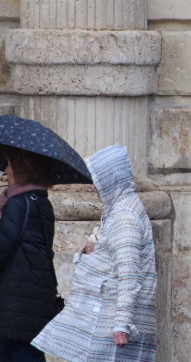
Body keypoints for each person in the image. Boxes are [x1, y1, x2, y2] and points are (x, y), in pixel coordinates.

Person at [32, 145, 158, 362]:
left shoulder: (125, 217)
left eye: (99, 183)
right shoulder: (120, 211)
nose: (95, 191)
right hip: (111, 321)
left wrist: (122, 323)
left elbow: (129, 272)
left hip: (113, 325)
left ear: (112, 181)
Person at [0, 146, 58, 362]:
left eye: (9, 164)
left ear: (20, 168)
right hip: (34, 302)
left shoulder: (17, 204)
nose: (6, 170)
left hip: (17, 306)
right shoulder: (42, 203)